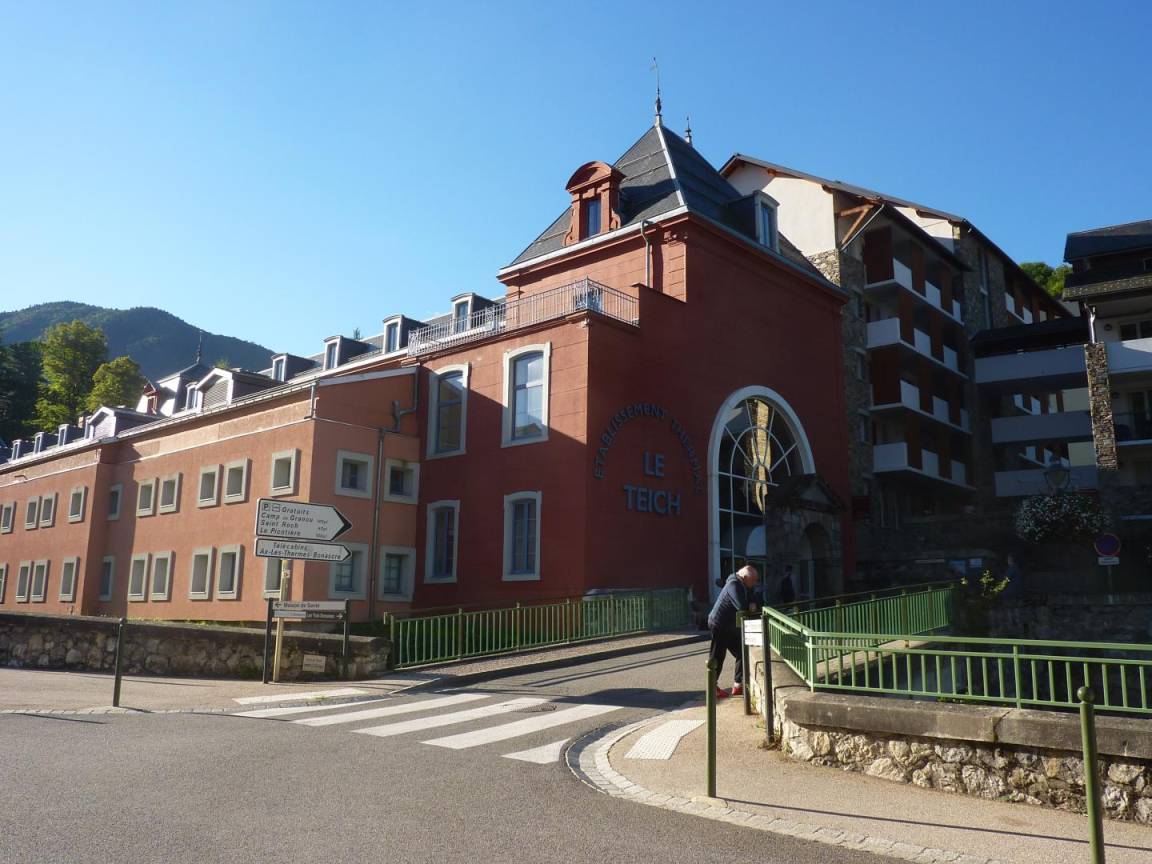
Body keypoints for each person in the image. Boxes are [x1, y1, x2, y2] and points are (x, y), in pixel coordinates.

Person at [707, 565, 759, 699]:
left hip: (730, 626)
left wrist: (753, 601)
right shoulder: (733, 585)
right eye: (753, 580)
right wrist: (751, 605)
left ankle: (738, 685)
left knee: (742, 650)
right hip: (719, 624)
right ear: (745, 577)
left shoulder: (743, 584)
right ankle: (712, 688)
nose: (754, 583)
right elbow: (741, 605)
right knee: (717, 656)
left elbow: (753, 596)